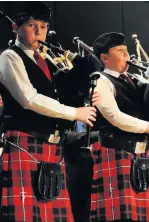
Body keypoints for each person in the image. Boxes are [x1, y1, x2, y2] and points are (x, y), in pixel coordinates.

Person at [0, 2, 97, 221]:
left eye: (43, 26)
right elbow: (29, 99)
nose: (38, 32)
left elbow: (58, 96)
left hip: (51, 147)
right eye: (32, 25)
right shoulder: (10, 57)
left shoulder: (45, 60)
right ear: (15, 27)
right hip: (24, 143)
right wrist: (75, 113)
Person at [90, 32, 149, 221]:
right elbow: (115, 117)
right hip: (117, 152)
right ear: (104, 58)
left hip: (142, 153)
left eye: (126, 50)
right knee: (121, 217)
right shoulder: (100, 80)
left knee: (146, 217)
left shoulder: (135, 80)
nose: (127, 55)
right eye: (120, 51)